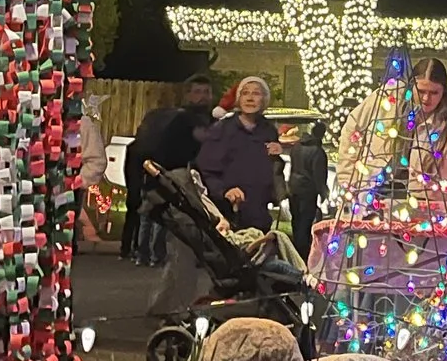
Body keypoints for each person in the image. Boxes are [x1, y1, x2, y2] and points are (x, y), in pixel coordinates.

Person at [332, 56, 447, 203]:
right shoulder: (390, 98)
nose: (427, 99)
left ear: (443, 91)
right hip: (371, 197)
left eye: (434, 92)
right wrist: (348, 178)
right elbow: (353, 127)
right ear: (412, 85)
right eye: (421, 91)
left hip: (426, 206)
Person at [124, 75, 215, 265]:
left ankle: (149, 254)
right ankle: (152, 255)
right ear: (188, 94)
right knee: (160, 219)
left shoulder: (210, 121)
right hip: (171, 176)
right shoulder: (181, 120)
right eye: (198, 92)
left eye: (207, 92)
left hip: (193, 179)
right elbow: (167, 150)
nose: (203, 97)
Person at [196, 75, 282, 234]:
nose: (250, 98)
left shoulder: (268, 130)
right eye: (245, 93)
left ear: (264, 100)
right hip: (227, 215)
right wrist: (225, 191)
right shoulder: (222, 130)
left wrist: (276, 157)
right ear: (238, 99)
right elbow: (205, 171)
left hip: (259, 215)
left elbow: (272, 170)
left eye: (256, 93)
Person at [283, 118, 330, 245]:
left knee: (296, 219)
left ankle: (295, 245)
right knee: (305, 222)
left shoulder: (297, 146)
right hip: (307, 191)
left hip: (293, 187)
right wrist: (323, 192)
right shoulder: (318, 152)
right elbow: (319, 176)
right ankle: (302, 250)